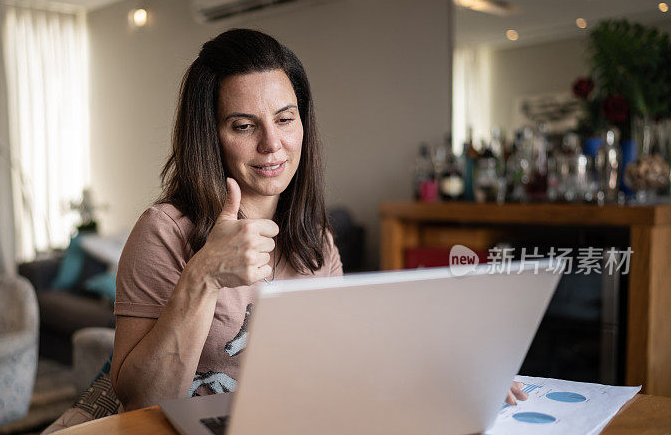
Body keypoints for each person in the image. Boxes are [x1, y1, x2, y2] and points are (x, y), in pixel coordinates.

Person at [112, 29, 527, 411]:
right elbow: (141, 401)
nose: (272, 144)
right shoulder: (163, 231)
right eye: (243, 125)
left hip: (295, 433)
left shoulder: (316, 239)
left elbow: (340, 360)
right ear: (209, 135)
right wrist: (203, 276)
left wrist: (443, 371)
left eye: (285, 119)